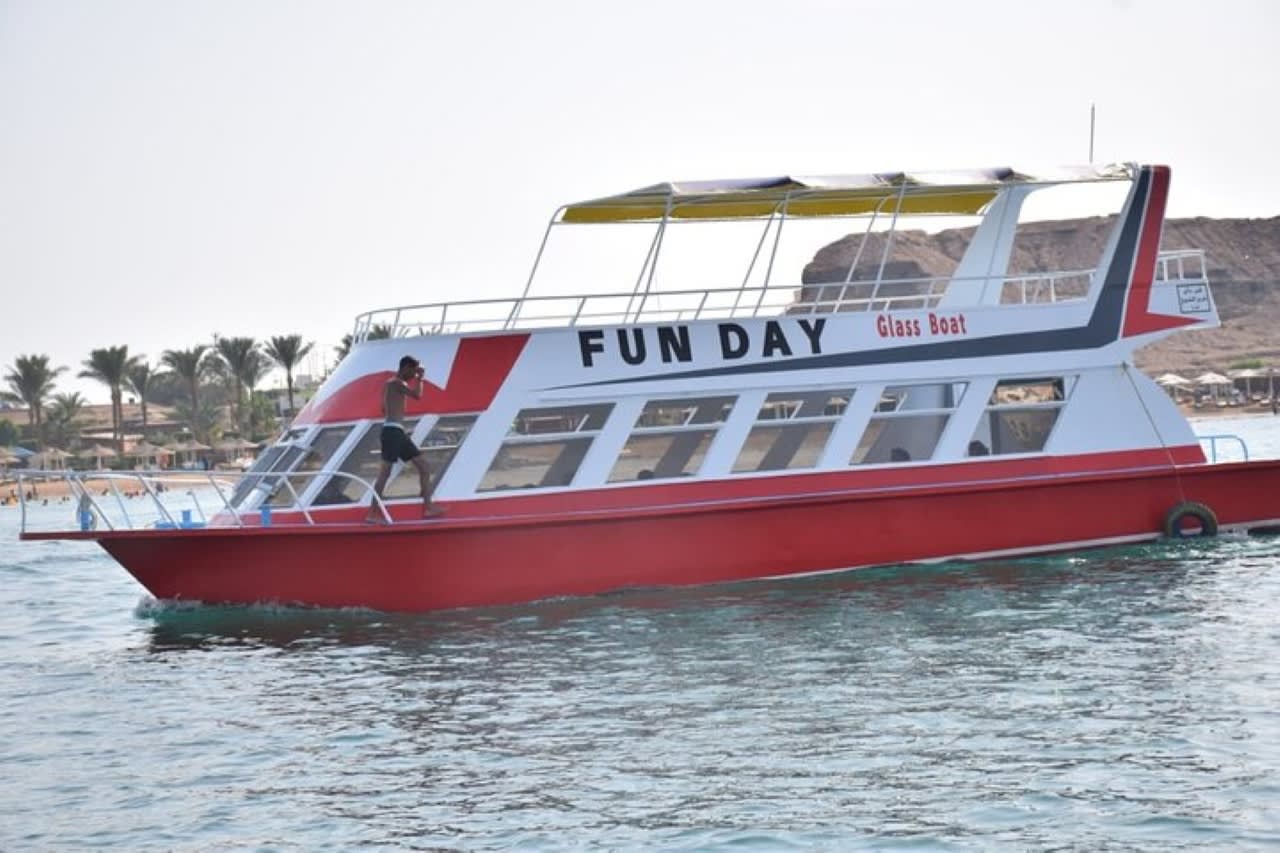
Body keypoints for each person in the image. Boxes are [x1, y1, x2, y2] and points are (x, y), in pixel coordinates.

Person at [366, 355, 445, 522]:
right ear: (405, 368)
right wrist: (421, 379)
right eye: (413, 371)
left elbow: (383, 408)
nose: (414, 375)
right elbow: (417, 395)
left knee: (424, 467)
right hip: (392, 432)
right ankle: (372, 513)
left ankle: (428, 507)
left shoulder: (389, 385)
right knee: (385, 473)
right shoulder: (396, 383)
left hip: (397, 431)